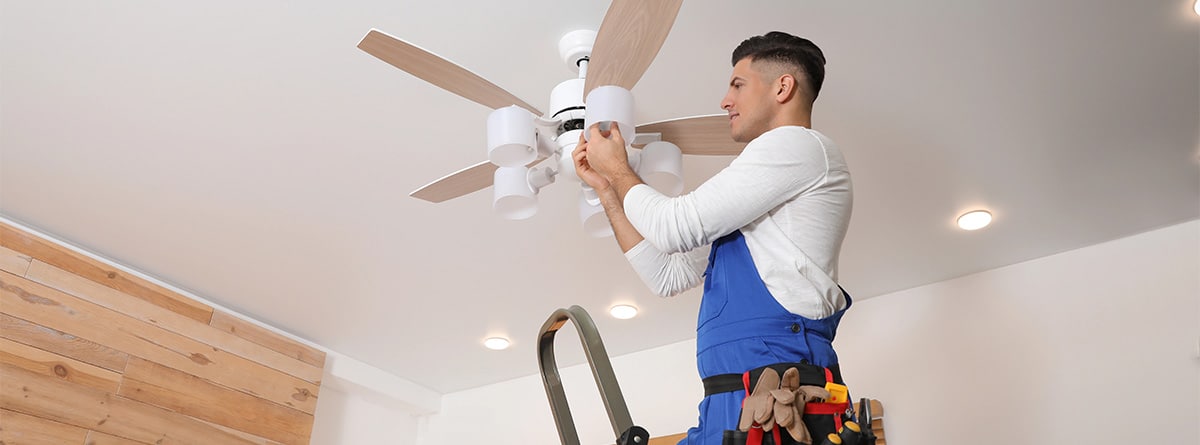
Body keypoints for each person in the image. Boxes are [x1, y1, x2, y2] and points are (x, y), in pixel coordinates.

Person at [572, 31, 853, 445]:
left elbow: (676, 225)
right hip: (728, 398)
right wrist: (606, 189)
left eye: (737, 85)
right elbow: (667, 275)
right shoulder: (757, 200)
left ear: (783, 86)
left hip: (777, 395)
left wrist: (619, 169)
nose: (725, 100)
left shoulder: (799, 146)